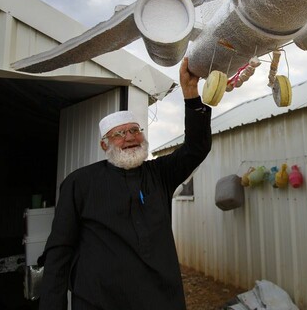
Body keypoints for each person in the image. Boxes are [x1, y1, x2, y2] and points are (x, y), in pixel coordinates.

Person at [39, 57, 212, 310]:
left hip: (160, 299)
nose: (130, 138)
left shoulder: (160, 173)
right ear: (104, 145)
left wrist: (190, 94)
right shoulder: (79, 183)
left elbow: (196, 148)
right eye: (119, 134)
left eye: (134, 130)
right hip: (100, 301)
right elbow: (59, 251)